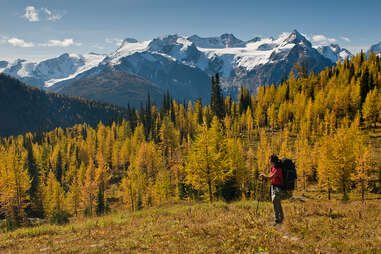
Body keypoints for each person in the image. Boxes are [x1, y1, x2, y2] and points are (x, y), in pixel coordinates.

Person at [260, 154, 284, 226]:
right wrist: (265, 178)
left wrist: (264, 176)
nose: (269, 162)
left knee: (275, 200)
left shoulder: (278, 169)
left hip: (278, 187)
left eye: (270, 161)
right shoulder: (273, 168)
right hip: (273, 186)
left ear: (274, 162)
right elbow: (271, 178)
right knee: (275, 202)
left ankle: (279, 219)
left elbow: (271, 177)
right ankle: (278, 219)